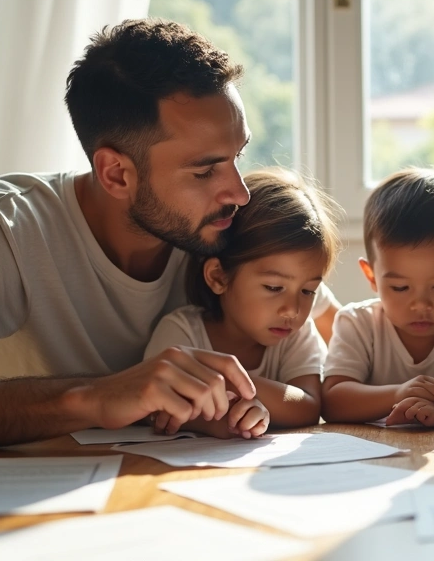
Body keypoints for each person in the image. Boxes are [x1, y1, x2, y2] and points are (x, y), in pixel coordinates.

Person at [0, 19, 335, 453]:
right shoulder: (7, 227)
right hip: (18, 503)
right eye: (205, 171)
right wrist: (91, 397)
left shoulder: (229, 225)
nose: (239, 193)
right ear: (116, 174)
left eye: (238, 156)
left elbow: (340, 327)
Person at [143, 168, 339, 439]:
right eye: (273, 287)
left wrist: (226, 385)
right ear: (218, 277)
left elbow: (307, 405)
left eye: (308, 291)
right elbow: (158, 409)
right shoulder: (180, 333)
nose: (292, 310)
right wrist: (227, 419)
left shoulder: (296, 334)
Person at [322, 169, 434, 427]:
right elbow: (333, 401)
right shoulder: (357, 324)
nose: (421, 305)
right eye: (400, 287)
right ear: (371, 276)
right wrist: (399, 394)